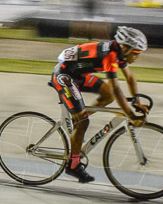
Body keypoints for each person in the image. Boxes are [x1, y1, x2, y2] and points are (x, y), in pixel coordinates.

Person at [50, 26, 149, 183]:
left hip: (78, 74)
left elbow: (129, 77)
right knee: (83, 122)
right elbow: (117, 89)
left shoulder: (119, 53)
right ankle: (73, 165)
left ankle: (79, 119)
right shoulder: (110, 56)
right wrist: (130, 115)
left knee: (106, 94)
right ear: (126, 48)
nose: (138, 56)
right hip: (64, 76)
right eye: (137, 53)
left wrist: (137, 100)